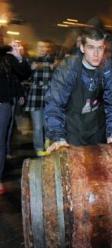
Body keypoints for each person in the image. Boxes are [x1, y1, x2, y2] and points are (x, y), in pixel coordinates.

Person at [44, 27, 112, 152]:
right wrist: (58, 136)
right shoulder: (68, 68)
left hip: (98, 130)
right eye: (91, 47)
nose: (96, 54)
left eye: (100, 48)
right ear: (82, 48)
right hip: (72, 130)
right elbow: (55, 103)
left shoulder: (109, 69)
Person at [0, 42, 31, 194]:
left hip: (2, 103)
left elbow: (24, 74)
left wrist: (19, 57)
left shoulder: (6, 56)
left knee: (0, 139)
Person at [25, 40, 56, 156]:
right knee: (38, 126)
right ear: (36, 48)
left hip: (49, 96)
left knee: (48, 124)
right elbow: (29, 69)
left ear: (47, 48)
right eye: (40, 47)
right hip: (35, 96)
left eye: (44, 47)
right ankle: (38, 149)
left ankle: (48, 143)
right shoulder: (31, 60)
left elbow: (57, 67)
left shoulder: (52, 60)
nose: (42, 49)